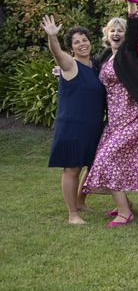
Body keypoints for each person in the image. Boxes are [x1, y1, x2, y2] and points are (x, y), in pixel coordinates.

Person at [82, 0, 138, 227]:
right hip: (114, 121)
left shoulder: (129, 52)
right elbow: (88, 74)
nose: (117, 34)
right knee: (110, 161)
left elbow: (134, 30)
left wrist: (133, 5)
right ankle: (125, 204)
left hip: (133, 117)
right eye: (113, 31)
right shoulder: (105, 57)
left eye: (120, 30)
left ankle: (124, 212)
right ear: (106, 35)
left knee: (106, 160)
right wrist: (63, 73)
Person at [41, 16, 105, 224]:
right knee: (72, 168)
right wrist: (53, 37)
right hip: (72, 125)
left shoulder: (96, 67)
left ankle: (80, 201)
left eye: (84, 39)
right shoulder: (70, 65)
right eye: (76, 42)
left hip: (92, 125)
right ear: (72, 48)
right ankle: (72, 214)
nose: (82, 44)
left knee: (91, 164)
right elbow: (57, 54)